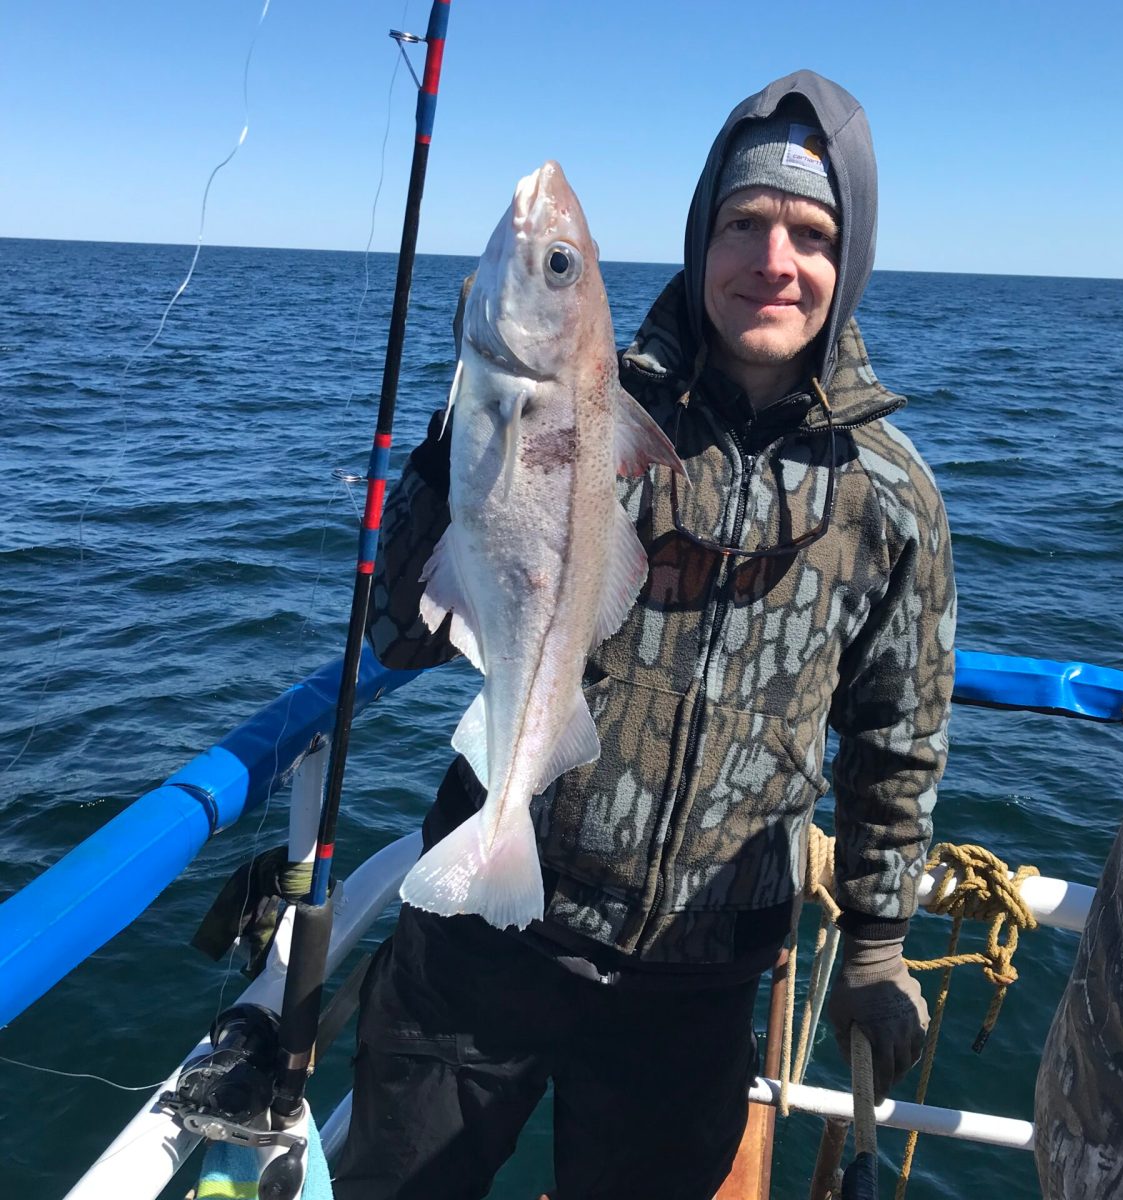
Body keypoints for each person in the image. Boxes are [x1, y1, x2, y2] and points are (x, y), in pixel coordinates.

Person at [336, 69, 956, 1200]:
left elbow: (897, 741)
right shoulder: (591, 401)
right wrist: (457, 448)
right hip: (487, 937)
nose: (773, 258)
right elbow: (400, 639)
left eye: (811, 233)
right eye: (743, 223)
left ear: (850, 258)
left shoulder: (892, 496)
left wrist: (874, 941)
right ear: (698, 237)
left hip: (696, 983)